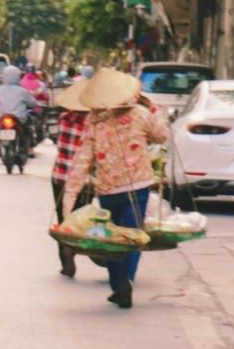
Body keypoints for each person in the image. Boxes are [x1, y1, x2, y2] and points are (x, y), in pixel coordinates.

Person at [61, 67, 168, 309]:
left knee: (112, 242)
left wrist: (69, 199)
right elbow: (162, 136)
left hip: (109, 192)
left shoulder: (95, 121)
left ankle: (119, 284)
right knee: (132, 238)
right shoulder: (141, 114)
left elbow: (82, 160)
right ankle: (125, 282)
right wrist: (154, 108)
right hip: (137, 188)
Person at [49, 80, 89, 278]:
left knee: (63, 219)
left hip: (60, 176)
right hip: (82, 181)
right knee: (82, 219)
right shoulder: (92, 124)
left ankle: (66, 261)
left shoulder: (64, 119)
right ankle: (77, 248)